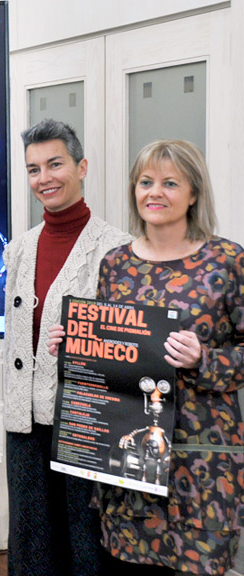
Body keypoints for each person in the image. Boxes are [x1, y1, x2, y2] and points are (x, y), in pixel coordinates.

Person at [48, 140, 244, 575]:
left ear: (194, 193)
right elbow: (112, 358)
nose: (155, 192)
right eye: (145, 182)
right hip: (130, 463)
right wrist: (77, 345)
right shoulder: (115, 265)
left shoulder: (228, 262)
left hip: (202, 464)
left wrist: (204, 359)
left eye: (170, 183)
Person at [2, 119, 131, 576]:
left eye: (55, 164)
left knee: (85, 543)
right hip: (23, 422)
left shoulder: (118, 251)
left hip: (85, 422)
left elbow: (129, 344)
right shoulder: (18, 250)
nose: (45, 179)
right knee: (32, 542)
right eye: (34, 169)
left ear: (82, 166)